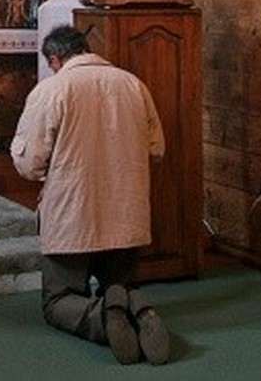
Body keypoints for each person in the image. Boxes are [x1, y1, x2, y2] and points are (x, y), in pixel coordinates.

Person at [10, 25, 170, 365]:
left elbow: (29, 164)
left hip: (73, 218)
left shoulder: (52, 90)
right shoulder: (133, 84)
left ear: (55, 59)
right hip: (126, 216)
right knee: (120, 287)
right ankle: (137, 308)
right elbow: (157, 149)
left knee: (58, 301)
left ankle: (103, 319)